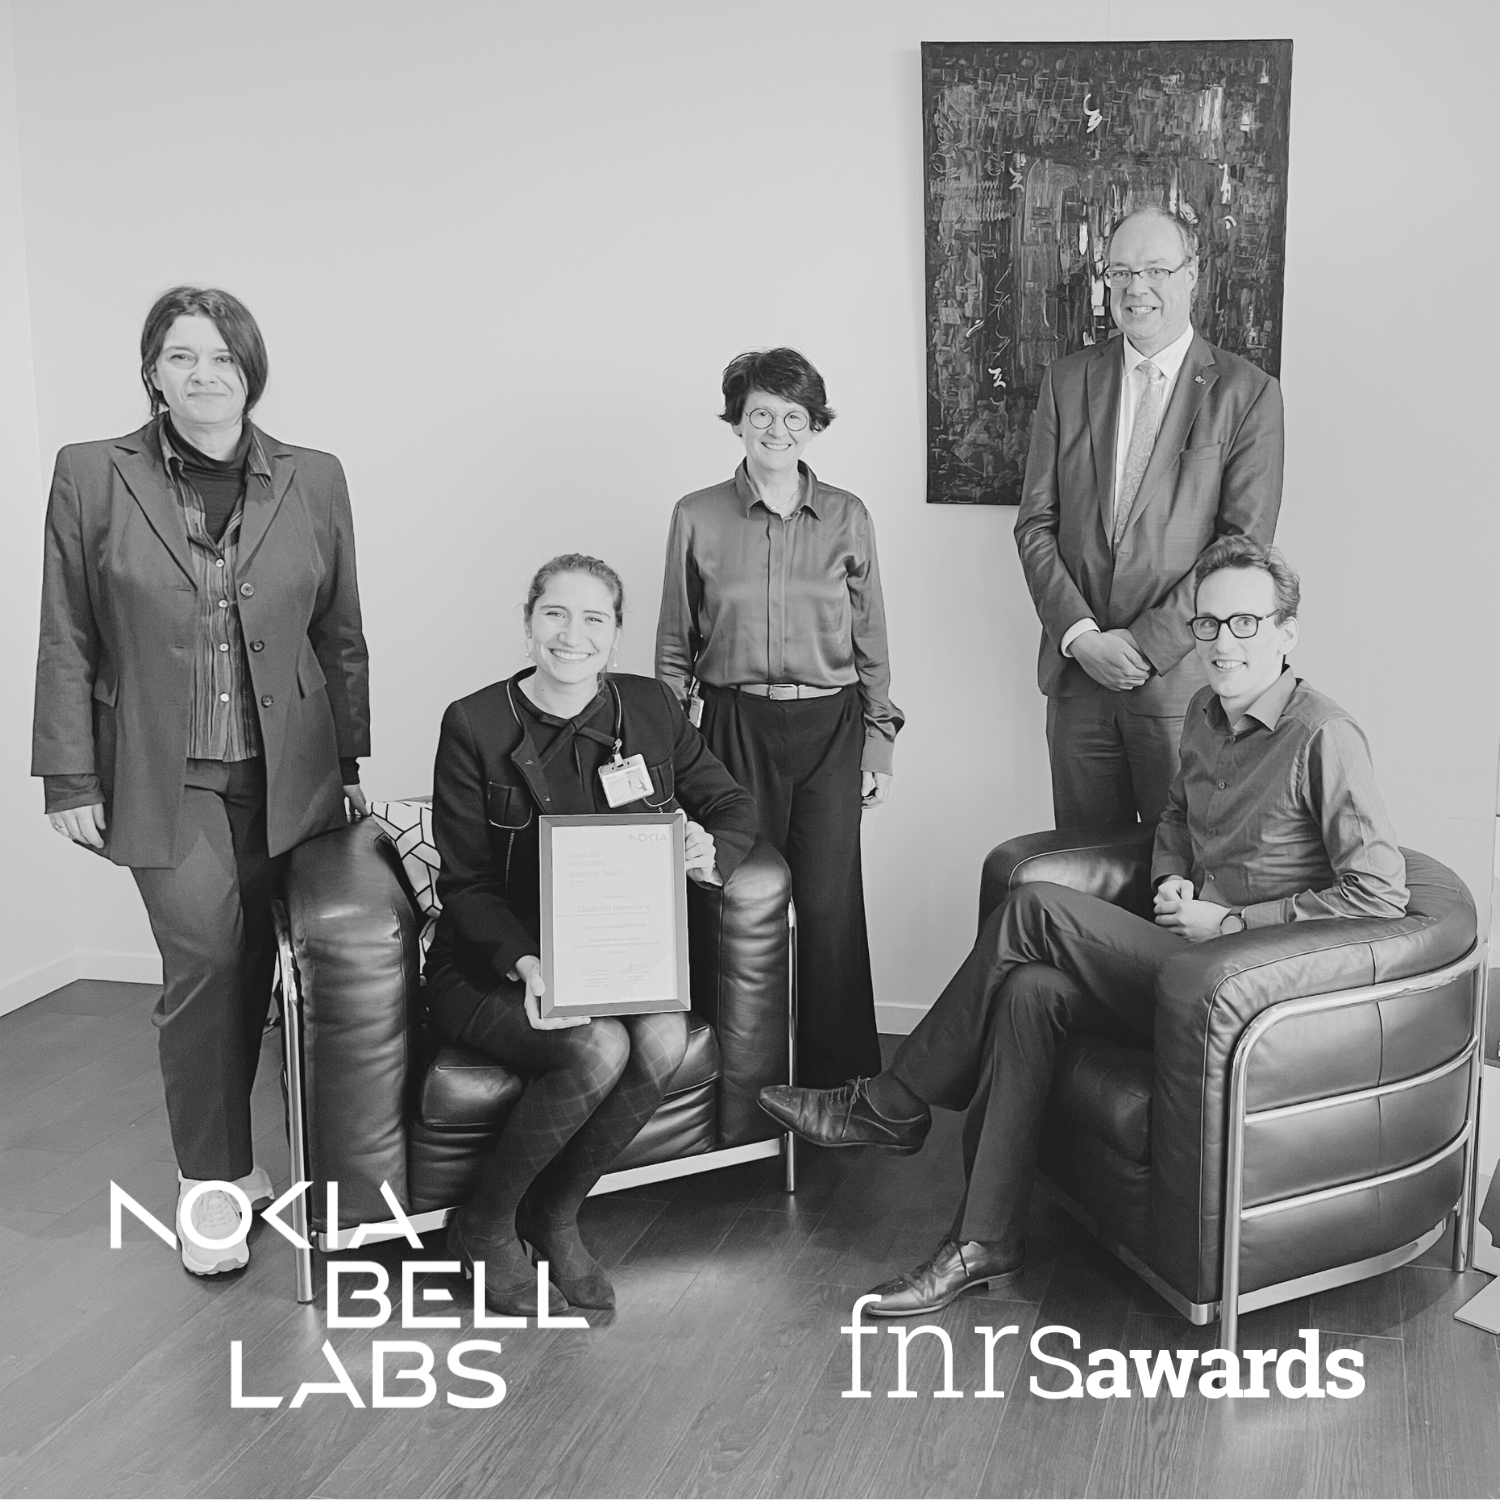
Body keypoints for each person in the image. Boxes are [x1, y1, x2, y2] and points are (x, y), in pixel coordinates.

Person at [761, 537, 1408, 1316]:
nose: (1222, 642)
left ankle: (892, 1103)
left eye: (1245, 623)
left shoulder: (1323, 736)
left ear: (1286, 632)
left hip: (1246, 992)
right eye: (1207, 624)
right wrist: (1171, 876)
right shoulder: (1204, 715)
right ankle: (981, 1242)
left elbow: (1380, 894)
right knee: (1030, 991)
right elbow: (1175, 817)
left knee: (1034, 906)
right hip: (1182, 968)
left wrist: (1233, 919)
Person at [31, 285, 370, 1276]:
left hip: (287, 767)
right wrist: (67, 775)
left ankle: (246, 1159)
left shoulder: (314, 476)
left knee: (257, 962)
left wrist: (348, 763)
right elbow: (66, 631)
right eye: (181, 356)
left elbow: (340, 630)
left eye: (223, 356)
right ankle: (210, 1182)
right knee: (206, 960)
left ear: (250, 371)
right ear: (152, 372)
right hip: (160, 766)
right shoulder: (92, 473)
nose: (204, 373)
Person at [428, 554, 759, 1315]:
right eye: (555, 614)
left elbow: (732, 804)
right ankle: (484, 1225)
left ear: (614, 635)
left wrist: (709, 850)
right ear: (528, 623)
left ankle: (555, 1211)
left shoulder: (650, 707)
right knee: (599, 1045)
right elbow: (466, 886)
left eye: (593, 619)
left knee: (663, 1039)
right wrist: (525, 963)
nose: (571, 635)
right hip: (496, 966)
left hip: (619, 957)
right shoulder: (474, 723)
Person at [655, 348, 902, 1087]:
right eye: (760, 412)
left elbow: (871, 638)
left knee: (828, 907)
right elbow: (674, 647)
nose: (776, 429)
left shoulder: (848, 515)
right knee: (734, 896)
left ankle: (837, 1089)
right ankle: (734, 1079)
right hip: (731, 729)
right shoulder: (695, 515)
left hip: (831, 730)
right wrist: (672, 754)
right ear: (737, 420)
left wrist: (879, 743)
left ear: (814, 425)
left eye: (794, 415)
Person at [1014, 205, 1285, 831]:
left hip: (1184, 680)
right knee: (1084, 869)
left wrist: (1143, 644)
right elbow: (1036, 524)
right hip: (1078, 680)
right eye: (1121, 271)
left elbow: (1241, 548)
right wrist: (1082, 637)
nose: (1137, 287)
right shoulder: (1067, 380)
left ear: (1192, 275)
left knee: (1184, 864)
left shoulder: (1248, 393)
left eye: (1156, 269)